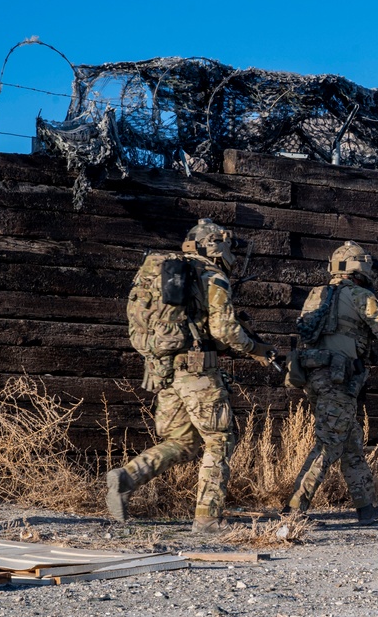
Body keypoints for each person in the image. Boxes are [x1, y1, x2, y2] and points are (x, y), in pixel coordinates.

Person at [107, 218, 276, 533]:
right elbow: (225, 330)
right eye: (226, 245)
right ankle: (208, 518)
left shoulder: (169, 275)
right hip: (198, 374)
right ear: (214, 245)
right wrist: (255, 348)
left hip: (165, 371)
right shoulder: (212, 277)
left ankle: (126, 478)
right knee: (219, 439)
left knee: (182, 442)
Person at [285, 241, 378, 526]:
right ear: (360, 266)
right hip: (339, 379)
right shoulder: (360, 295)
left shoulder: (316, 295)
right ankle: (294, 509)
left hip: (314, 377)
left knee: (350, 442)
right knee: (330, 444)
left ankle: (366, 507)